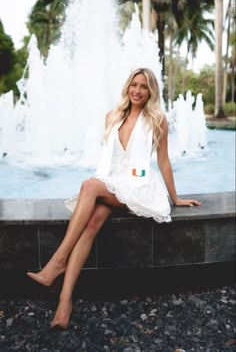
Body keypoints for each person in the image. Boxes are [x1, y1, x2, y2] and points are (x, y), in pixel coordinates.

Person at [27, 67, 201, 329]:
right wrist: (103, 182)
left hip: (139, 186)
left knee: (88, 186)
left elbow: (163, 161)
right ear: (127, 87)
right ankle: (64, 303)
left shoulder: (157, 119)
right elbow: (108, 160)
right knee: (92, 222)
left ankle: (56, 263)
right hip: (113, 184)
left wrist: (175, 198)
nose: (138, 91)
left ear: (151, 91)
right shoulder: (112, 116)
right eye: (134, 85)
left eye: (144, 86)